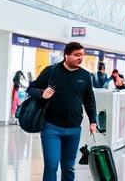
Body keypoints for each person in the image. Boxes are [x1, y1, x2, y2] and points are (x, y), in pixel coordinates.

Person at [27, 42, 99, 181]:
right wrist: (42, 92)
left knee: (68, 167)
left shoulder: (84, 76)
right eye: (76, 55)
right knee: (51, 165)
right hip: (51, 127)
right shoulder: (51, 71)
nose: (80, 58)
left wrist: (93, 121)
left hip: (74, 129)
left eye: (82, 55)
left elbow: (89, 100)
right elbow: (31, 88)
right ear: (66, 55)